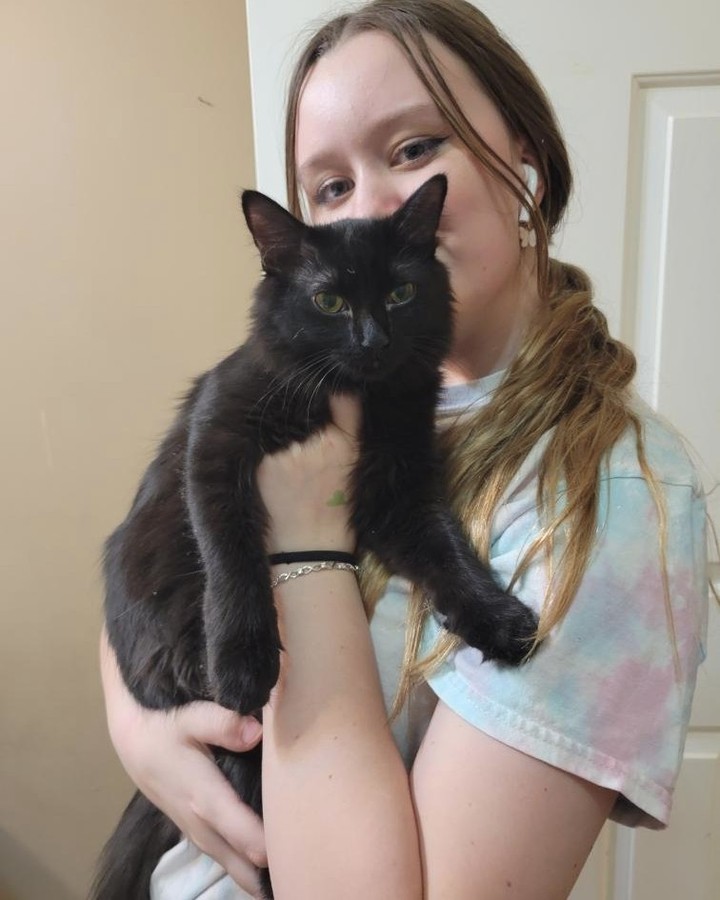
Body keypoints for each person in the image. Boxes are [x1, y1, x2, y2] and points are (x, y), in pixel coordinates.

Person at [100, 1, 709, 897]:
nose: (377, 206)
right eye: (331, 188)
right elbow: (149, 545)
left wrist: (307, 540)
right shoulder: (351, 380)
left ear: (524, 158)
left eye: (416, 148)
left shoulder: (609, 495)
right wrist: (136, 725)